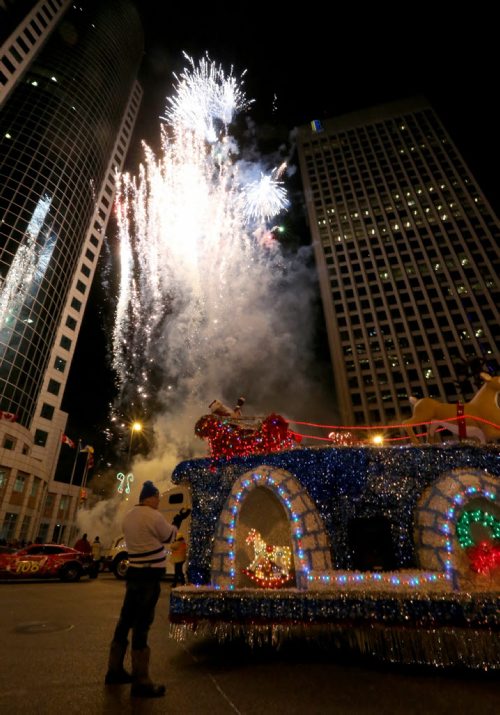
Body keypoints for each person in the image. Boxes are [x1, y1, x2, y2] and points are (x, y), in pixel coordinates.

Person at [105, 480, 177, 698]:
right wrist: (176, 523)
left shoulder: (128, 517)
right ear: (150, 497)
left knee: (125, 619)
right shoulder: (153, 516)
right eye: (157, 497)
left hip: (135, 573)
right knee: (142, 623)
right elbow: (169, 536)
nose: (159, 501)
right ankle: (141, 680)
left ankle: (114, 670)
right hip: (149, 576)